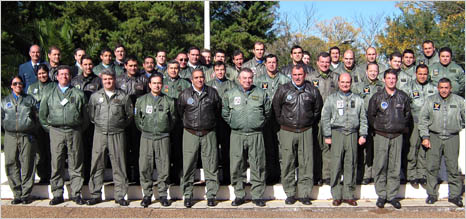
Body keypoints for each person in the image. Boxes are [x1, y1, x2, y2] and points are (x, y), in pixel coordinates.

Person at [273, 64, 322, 205]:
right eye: (295, 75)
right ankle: (289, 193)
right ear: (291, 75)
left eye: (300, 74)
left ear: (305, 75)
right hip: (287, 131)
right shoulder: (283, 89)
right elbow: (276, 107)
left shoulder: (312, 90)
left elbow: (317, 110)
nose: (297, 77)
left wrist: (308, 122)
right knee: (288, 162)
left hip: (305, 131)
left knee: (306, 163)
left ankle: (305, 193)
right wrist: (283, 121)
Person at [39, 65, 88, 205]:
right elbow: (43, 115)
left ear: (70, 76)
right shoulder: (49, 93)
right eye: (61, 74)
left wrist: (78, 128)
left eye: (66, 74)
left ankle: (76, 193)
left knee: (76, 162)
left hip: (74, 131)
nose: (64, 76)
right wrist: (51, 129)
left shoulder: (78, 94)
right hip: (56, 131)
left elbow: (85, 117)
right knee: (57, 162)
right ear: (57, 76)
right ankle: (57, 193)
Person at [222, 68, 271, 207]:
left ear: (253, 78)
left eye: (249, 78)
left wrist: (258, 123)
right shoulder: (230, 94)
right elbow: (225, 112)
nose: (247, 80)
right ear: (239, 79)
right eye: (244, 78)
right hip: (237, 134)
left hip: (256, 134)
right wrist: (233, 122)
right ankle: (239, 195)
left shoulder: (261, 93)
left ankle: (257, 196)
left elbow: (267, 112)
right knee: (237, 165)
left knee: (258, 165)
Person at [87, 68, 134, 206]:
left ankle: (120, 195)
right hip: (100, 133)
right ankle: (95, 194)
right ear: (102, 80)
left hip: (117, 134)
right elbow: (91, 114)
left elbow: (129, 115)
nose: (108, 81)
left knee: (119, 164)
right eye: (105, 79)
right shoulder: (95, 97)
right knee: (97, 164)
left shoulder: (123, 96)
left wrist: (119, 125)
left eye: (110, 79)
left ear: (115, 80)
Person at [368, 69, 412, 209]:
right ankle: (381, 195)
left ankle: (392, 196)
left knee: (394, 167)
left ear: (396, 80)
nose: (391, 80)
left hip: (397, 136)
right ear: (384, 79)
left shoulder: (403, 97)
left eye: (394, 78)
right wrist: (379, 127)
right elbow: (371, 115)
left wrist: (399, 127)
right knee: (380, 165)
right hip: (381, 136)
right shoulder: (377, 97)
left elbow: (407, 115)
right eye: (389, 78)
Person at [321, 73, 368, 207]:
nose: (345, 84)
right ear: (338, 82)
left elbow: (363, 118)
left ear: (351, 83)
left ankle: (349, 194)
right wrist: (327, 135)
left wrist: (363, 134)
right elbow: (325, 117)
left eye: (347, 82)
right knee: (336, 165)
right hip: (337, 133)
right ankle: (336, 194)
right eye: (342, 82)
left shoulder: (358, 99)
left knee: (351, 164)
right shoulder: (332, 99)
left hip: (352, 134)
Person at [177, 69, 221, 208]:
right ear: (192, 79)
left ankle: (211, 196)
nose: (199, 80)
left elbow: (218, 111)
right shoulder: (185, 94)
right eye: (196, 77)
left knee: (211, 165)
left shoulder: (212, 93)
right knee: (189, 165)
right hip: (190, 133)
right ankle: (188, 195)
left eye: (201, 77)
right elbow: (180, 112)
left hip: (208, 133)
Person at [419, 77, 464, 207]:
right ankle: (432, 194)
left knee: (453, 168)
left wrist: (458, 125)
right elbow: (423, 120)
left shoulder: (459, 101)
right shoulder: (430, 101)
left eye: (446, 88)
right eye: (441, 88)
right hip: (434, 136)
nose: (444, 90)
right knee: (432, 167)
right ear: (438, 88)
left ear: (450, 88)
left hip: (452, 137)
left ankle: (454, 195)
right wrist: (425, 137)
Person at [135, 74, 177, 207]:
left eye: (159, 83)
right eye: (154, 83)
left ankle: (163, 195)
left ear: (162, 84)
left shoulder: (169, 101)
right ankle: (147, 195)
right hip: (146, 137)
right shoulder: (141, 100)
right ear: (149, 85)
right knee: (145, 166)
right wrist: (145, 129)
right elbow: (137, 119)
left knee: (163, 166)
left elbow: (173, 120)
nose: (156, 85)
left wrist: (164, 129)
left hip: (163, 137)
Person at [1, 76, 38, 205]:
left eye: (20, 83)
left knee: (28, 163)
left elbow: (36, 116)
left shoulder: (30, 100)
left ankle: (26, 194)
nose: (18, 85)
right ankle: (17, 193)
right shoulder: (4, 102)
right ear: (11, 86)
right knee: (11, 163)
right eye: (15, 83)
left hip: (26, 135)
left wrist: (30, 126)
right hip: (10, 136)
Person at [255, 54, 291, 185]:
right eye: (269, 62)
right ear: (265, 64)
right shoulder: (258, 81)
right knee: (267, 148)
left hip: (281, 118)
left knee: (282, 148)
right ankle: (269, 175)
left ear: (277, 63)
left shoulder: (285, 80)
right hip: (265, 119)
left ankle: (283, 175)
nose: (271, 64)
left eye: (274, 62)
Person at [400, 64, 437, 186]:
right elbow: (403, 106)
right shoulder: (408, 87)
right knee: (412, 148)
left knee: (424, 149)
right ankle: (411, 175)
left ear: (428, 74)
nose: (422, 76)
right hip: (414, 122)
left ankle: (422, 174)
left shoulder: (433, 88)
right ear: (416, 74)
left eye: (425, 74)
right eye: (420, 74)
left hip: (429, 123)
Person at [307, 52, 339, 186]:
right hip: (315, 118)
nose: (325, 64)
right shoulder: (310, 77)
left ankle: (326, 175)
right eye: (322, 62)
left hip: (331, 119)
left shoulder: (336, 78)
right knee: (314, 147)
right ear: (317, 62)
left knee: (328, 148)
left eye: (327, 62)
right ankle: (315, 175)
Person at [116, 56, 148, 184]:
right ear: (125, 66)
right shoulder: (118, 80)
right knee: (123, 149)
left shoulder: (144, 79)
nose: (133, 68)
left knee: (138, 149)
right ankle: (126, 176)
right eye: (130, 65)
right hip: (123, 119)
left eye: (135, 65)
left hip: (138, 119)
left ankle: (138, 176)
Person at [71, 55, 102, 184]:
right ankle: (80, 177)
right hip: (79, 120)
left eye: (90, 64)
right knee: (79, 149)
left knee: (92, 150)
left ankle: (91, 176)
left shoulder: (98, 81)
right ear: (81, 65)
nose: (88, 67)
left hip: (93, 120)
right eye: (85, 64)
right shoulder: (74, 81)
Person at [351, 63, 384, 185]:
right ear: (366, 71)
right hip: (363, 122)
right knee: (364, 151)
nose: (373, 73)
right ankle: (365, 174)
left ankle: (376, 174)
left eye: (375, 71)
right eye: (371, 71)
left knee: (377, 149)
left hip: (379, 123)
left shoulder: (383, 87)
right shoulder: (359, 87)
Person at [206, 61, 236, 185]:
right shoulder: (208, 86)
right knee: (212, 152)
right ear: (214, 71)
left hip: (226, 123)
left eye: (222, 69)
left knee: (227, 151)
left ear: (225, 70)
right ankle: (213, 179)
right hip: (212, 122)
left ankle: (228, 177)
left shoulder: (232, 85)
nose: (220, 72)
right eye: (217, 69)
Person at [162, 60, 191, 185]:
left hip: (180, 121)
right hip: (165, 121)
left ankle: (177, 176)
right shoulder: (161, 83)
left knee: (179, 150)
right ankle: (165, 176)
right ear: (167, 69)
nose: (173, 70)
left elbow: (190, 100)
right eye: (171, 68)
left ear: (179, 70)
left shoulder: (185, 84)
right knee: (165, 150)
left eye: (176, 68)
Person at [27, 64, 52, 184]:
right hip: (37, 125)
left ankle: (54, 175)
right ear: (37, 75)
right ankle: (43, 175)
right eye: (40, 74)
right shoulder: (32, 88)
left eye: (44, 73)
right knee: (40, 151)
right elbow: (28, 106)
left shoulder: (54, 86)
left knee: (52, 150)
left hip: (51, 123)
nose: (42, 75)